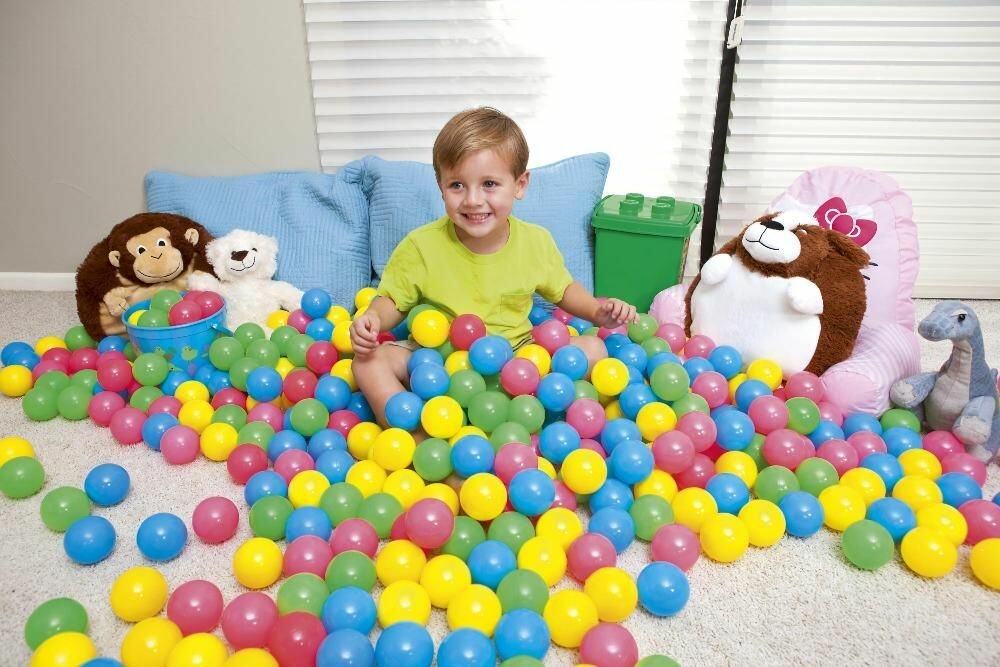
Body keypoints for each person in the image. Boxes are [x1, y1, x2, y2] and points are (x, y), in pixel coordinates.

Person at [350, 107, 637, 426]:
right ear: (440, 185)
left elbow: (564, 290)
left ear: (520, 184)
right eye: (457, 185)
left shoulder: (535, 241)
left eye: (489, 184)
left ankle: (531, 419)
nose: (473, 200)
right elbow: (393, 300)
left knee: (593, 348)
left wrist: (596, 312)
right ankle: (413, 438)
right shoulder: (421, 246)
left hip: (519, 359)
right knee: (366, 363)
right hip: (438, 362)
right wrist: (373, 318)